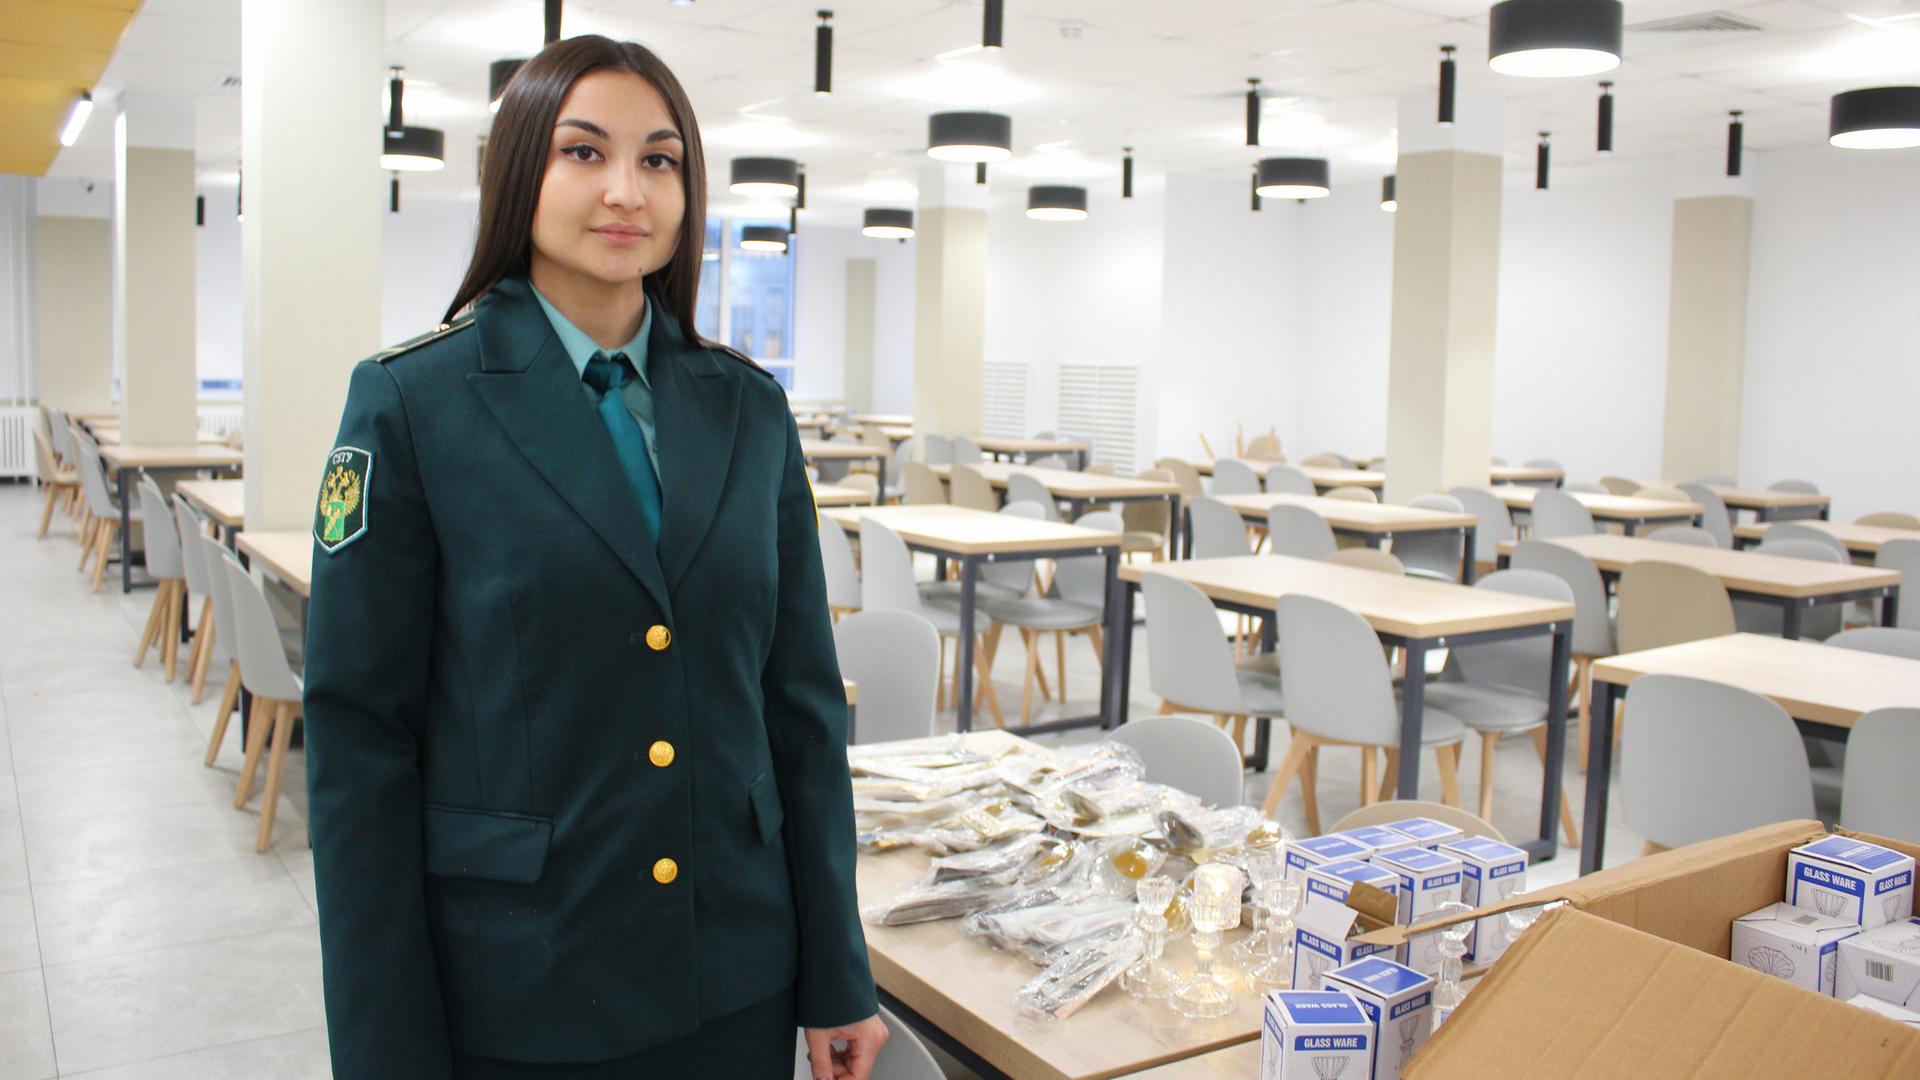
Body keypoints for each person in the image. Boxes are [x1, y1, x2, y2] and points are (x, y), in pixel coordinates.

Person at [303, 35, 885, 1080]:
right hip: (524, 985)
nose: (627, 190)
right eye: (584, 153)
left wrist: (838, 970)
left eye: (659, 160)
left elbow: (799, 705)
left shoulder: (748, 410)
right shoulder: (412, 404)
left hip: (736, 974)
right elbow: (360, 748)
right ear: (518, 176)